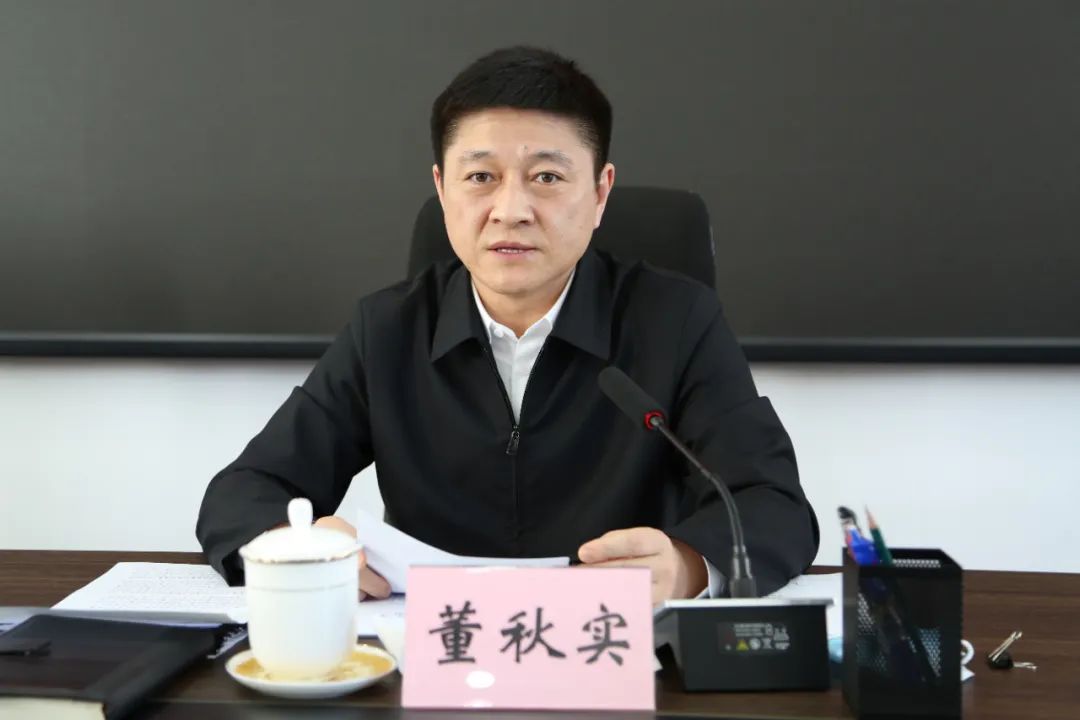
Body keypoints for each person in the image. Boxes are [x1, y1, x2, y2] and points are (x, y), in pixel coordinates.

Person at [196, 46, 818, 603]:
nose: (511, 209)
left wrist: (685, 567)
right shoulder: (387, 328)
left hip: (614, 649)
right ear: (442, 190)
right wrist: (297, 547)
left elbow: (773, 506)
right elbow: (243, 492)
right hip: (432, 650)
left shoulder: (676, 322)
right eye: (480, 177)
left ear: (600, 193)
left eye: (547, 177)